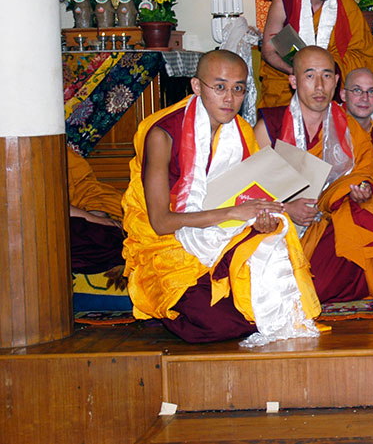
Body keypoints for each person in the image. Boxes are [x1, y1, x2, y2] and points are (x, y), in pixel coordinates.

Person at [122, 50, 320, 344]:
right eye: (220, 87)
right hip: (169, 245)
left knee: (275, 302)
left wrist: (261, 221)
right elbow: (161, 222)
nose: (230, 99)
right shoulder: (162, 135)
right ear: (197, 86)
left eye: (238, 88)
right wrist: (232, 215)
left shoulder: (240, 131)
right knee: (218, 323)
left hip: (222, 237)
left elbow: (248, 196)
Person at [256, 51, 373, 304]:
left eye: (326, 75)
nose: (319, 86)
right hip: (283, 223)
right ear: (294, 81)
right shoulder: (270, 126)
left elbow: (367, 173)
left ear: (336, 81)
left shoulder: (347, 125)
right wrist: (287, 208)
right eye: (310, 76)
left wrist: (360, 189)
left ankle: (329, 281)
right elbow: (248, 192)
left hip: (330, 220)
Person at [260, 0, 373, 108]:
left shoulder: (345, 4)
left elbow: (364, 54)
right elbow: (269, 49)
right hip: (287, 81)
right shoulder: (284, 2)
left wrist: (325, 71)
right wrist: (296, 71)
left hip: (332, 83)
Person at [67, 147, 125, 275]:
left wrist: (96, 212)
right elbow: (52, 207)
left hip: (82, 209)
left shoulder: (55, 150)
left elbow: (83, 186)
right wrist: (101, 221)